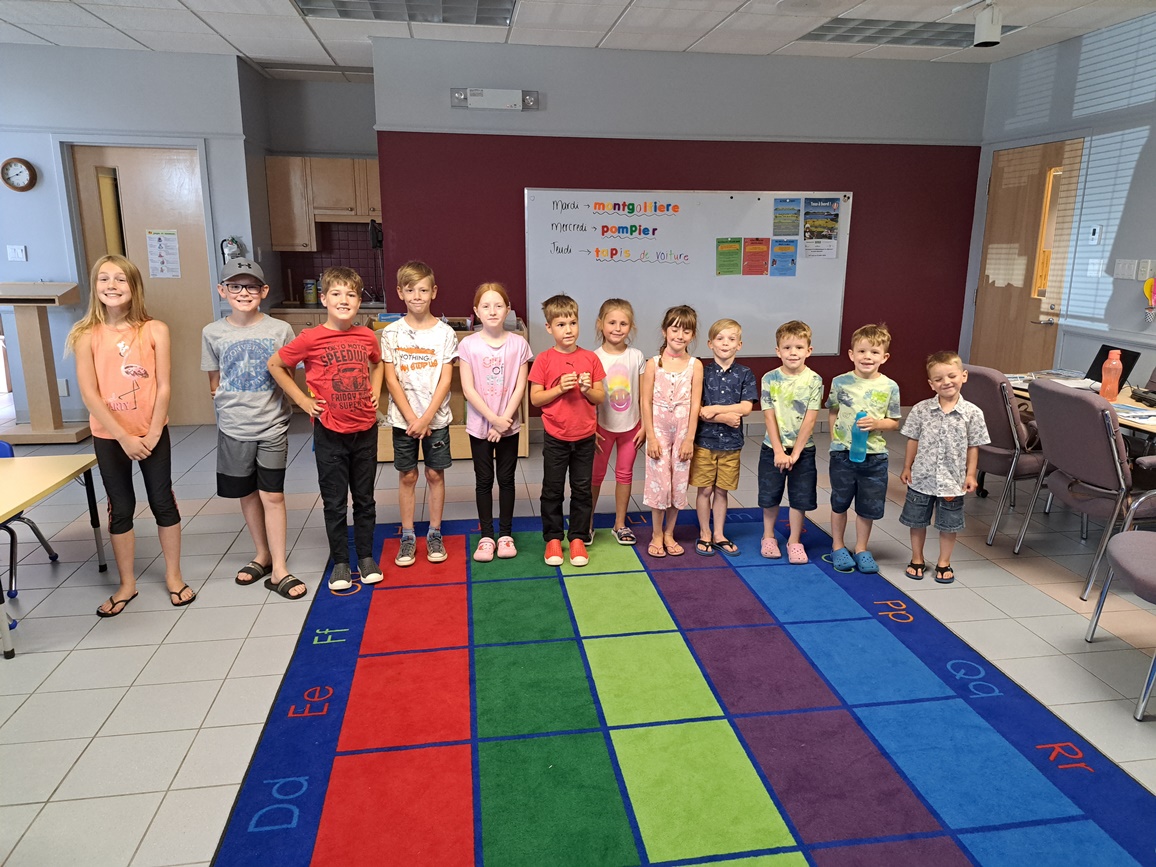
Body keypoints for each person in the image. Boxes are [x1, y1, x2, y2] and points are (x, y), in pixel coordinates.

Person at [67, 254, 191, 616]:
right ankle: (127, 584)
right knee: (119, 507)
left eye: (120, 279)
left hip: (152, 432)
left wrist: (153, 431)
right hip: (110, 436)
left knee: (162, 501)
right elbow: (90, 393)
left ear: (134, 287)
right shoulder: (85, 335)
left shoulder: (155, 330)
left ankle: (174, 576)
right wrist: (122, 437)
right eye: (104, 279)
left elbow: (164, 385)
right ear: (95, 288)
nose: (112, 286)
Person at [268, 266, 384, 591]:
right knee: (335, 502)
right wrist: (301, 403)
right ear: (324, 298)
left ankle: (365, 557)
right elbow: (276, 365)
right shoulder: (309, 338)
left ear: (359, 301)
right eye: (336, 293)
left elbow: (379, 363)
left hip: (365, 431)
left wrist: (375, 388)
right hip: (330, 434)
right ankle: (341, 563)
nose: (344, 300)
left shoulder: (366, 335)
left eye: (351, 294)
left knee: (365, 499)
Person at [201, 258, 304, 599]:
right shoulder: (212, 332)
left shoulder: (279, 330)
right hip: (233, 427)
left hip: (272, 423)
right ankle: (261, 554)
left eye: (251, 286)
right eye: (235, 286)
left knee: (272, 494)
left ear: (264, 291)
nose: (243, 293)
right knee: (247, 493)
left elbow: (289, 375)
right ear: (222, 291)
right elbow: (214, 380)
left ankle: (280, 567)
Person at [381, 260, 458, 567]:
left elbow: (446, 378)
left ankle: (435, 532)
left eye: (423, 290)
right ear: (400, 292)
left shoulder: (445, 333)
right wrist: (413, 418)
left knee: (434, 473)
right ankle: (409, 535)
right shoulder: (391, 333)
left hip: (435, 420)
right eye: (410, 290)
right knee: (408, 475)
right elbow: (390, 380)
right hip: (403, 420)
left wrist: (426, 418)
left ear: (433, 292)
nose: (417, 296)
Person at [899, 351, 990, 585]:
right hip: (922, 478)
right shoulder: (921, 410)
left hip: (953, 481)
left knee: (949, 525)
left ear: (964, 376)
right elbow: (913, 440)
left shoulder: (973, 413)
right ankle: (917, 558)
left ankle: (943, 562)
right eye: (938, 379)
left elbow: (973, 447)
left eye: (951, 376)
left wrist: (970, 474)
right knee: (917, 521)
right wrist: (907, 466)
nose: (946, 382)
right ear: (931, 384)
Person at [529, 294, 605, 567]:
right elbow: (535, 399)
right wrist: (559, 388)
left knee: (582, 489)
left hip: (584, 437)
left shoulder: (590, 358)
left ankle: (577, 538)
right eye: (561, 324)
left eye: (572, 322)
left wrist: (586, 389)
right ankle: (552, 539)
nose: (568, 329)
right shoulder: (544, 360)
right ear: (549, 328)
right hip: (556, 437)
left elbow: (600, 398)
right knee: (552, 489)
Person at [458, 282, 531, 562]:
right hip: (480, 426)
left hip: (508, 426)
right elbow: (468, 389)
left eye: (498, 305)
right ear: (476, 311)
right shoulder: (468, 345)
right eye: (486, 306)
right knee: (484, 480)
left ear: (508, 310)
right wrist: (493, 420)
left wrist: (505, 421)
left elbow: (519, 387)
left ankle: (506, 534)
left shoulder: (519, 344)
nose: (492, 311)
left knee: (507, 479)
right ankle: (487, 536)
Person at [826, 323, 901, 573]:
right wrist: (835, 440)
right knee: (839, 501)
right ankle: (837, 545)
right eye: (862, 352)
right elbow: (833, 411)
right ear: (851, 354)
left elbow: (894, 422)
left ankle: (861, 548)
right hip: (843, 454)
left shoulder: (890, 386)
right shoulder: (840, 382)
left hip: (875, 456)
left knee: (867, 506)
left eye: (874, 352)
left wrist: (878, 423)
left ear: (885, 357)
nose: (867, 357)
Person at [691, 318, 757, 556]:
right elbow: (698, 410)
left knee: (722, 490)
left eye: (731, 339)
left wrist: (716, 410)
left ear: (739, 344)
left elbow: (746, 408)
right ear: (710, 343)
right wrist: (725, 417)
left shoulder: (745, 374)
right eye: (720, 338)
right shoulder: (702, 371)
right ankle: (704, 532)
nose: (725, 343)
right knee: (705, 489)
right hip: (705, 442)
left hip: (731, 444)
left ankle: (719, 533)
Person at [759, 320, 824, 564]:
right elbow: (768, 414)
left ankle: (795, 541)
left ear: (809, 350)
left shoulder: (814, 380)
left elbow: (810, 418)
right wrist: (778, 450)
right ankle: (768, 536)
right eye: (787, 347)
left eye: (798, 347)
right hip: (772, 448)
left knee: (800, 497)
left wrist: (795, 453)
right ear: (778, 351)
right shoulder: (769, 378)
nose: (792, 352)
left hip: (803, 451)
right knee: (769, 495)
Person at [642, 305, 703, 558]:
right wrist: (651, 436)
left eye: (686, 331)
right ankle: (657, 533)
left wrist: (689, 438)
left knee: (678, 481)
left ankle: (669, 532)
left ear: (692, 335)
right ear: (665, 330)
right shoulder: (653, 363)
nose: (679, 335)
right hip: (658, 429)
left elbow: (696, 403)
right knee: (659, 482)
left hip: (682, 432)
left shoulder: (695, 365)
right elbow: (644, 401)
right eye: (675, 329)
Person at [591, 298, 646, 546]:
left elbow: (645, 396)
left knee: (625, 474)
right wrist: (590, 427)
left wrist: (645, 425)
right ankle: (587, 523)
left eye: (623, 323)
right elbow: (588, 398)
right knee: (595, 476)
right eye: (611, 322)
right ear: (600, 324)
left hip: (631, 427)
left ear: (631, 327)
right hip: (601, 428)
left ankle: (620, 524)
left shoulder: (637, 356)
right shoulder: (593, 358)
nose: (617, 328)